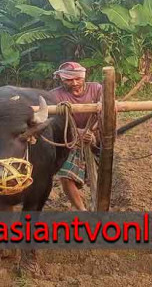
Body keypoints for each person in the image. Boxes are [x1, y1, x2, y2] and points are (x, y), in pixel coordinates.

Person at [49, 62, 102, 211]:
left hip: (96, 136)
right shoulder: (54, 95)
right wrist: (75, 132)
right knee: (65, 175)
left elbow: (106, 112)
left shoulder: (96, 89)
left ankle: (99, 205)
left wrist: (92, 132)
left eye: (78, 79)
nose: (75, 83)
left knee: (103, 175)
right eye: (69, 80)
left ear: (83, 77)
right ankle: (82, 210)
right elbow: (54, 122)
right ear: (61, 79)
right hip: (70, 139)